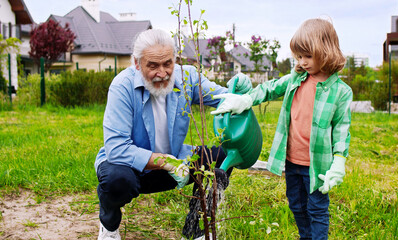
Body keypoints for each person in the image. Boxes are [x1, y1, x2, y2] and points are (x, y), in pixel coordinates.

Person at [95, 29, 252, 240]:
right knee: (117, 180)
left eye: (167, 63)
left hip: (176, 163)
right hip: (131, 168)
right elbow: (117, 149)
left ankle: (198, 229)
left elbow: (221, 97)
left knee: (222, 155)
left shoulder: (186, 78)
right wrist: (164, 161)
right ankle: (109, 226)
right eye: (153, 66)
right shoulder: (122, 86)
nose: (162, 73)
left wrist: (239, 94)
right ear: (137, 63)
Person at [211, 18, 352, 239]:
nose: (302, 62)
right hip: (292, 161)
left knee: (317, 209)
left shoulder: (341, 92)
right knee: (296, 205)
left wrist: (339, 161)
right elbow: (269, 89)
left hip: (317, 166)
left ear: (325, 51)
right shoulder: (297, 78)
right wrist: (246, 100)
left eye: (308, 56)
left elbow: (342, 129)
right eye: (299, 56)